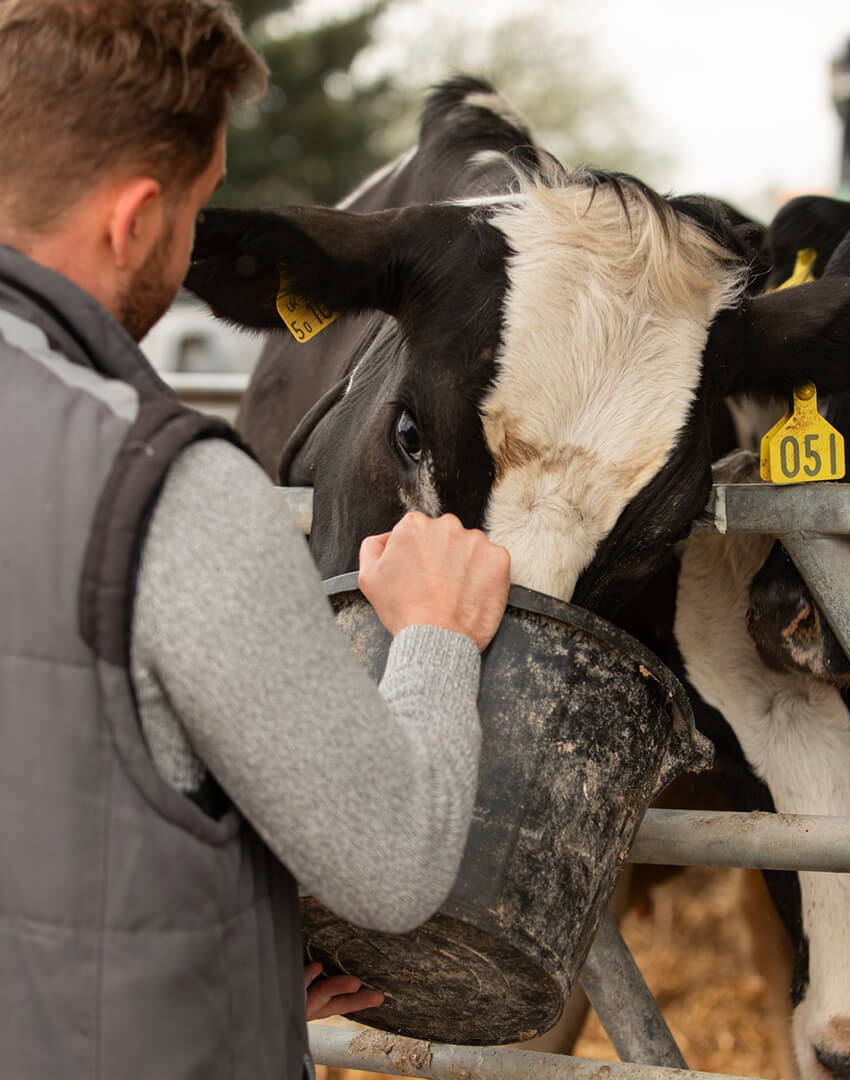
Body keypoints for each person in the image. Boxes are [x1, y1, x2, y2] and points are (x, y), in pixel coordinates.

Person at [0, 1, 511, 1077]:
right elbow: (390, 864)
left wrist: (225, 975)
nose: (196, 240)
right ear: (136, 217)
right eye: (197, 203)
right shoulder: (161, 492)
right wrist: (435, 634)